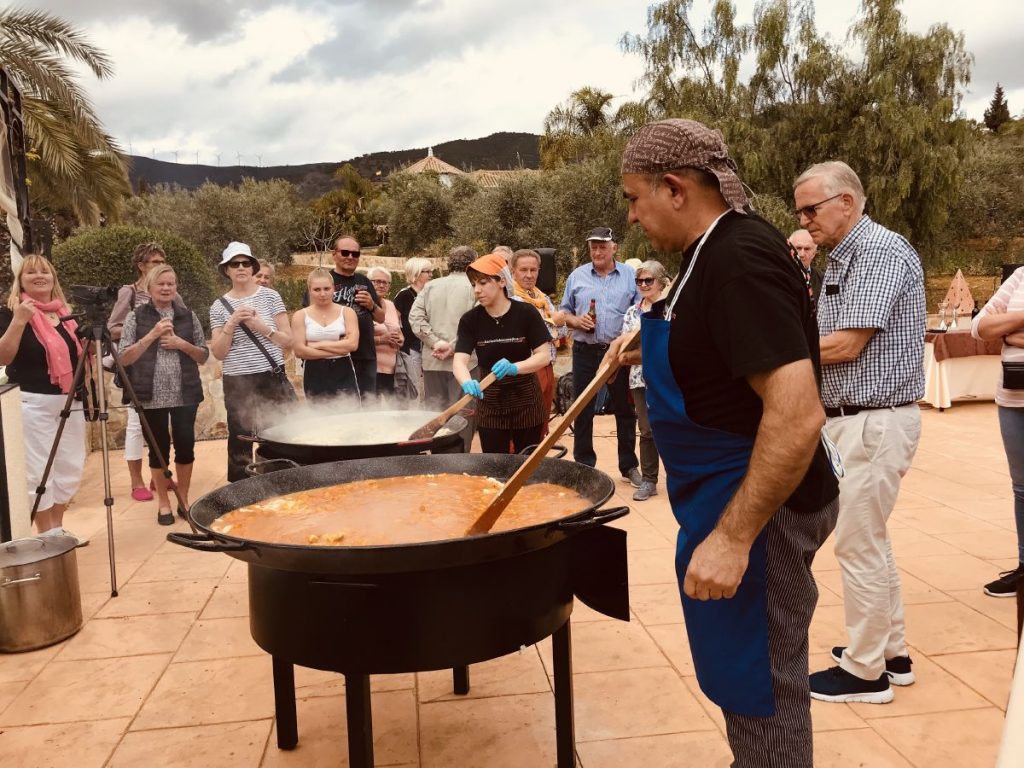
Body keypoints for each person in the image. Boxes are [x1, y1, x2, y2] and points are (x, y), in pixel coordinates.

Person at [617, 118, 840, 766]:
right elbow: (720, 345)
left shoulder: (738, 259)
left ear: (674, 187)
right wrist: (639, 343)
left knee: (762, 691)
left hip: (759, 508)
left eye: (635, 198)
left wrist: (735, 536)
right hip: (729, 494)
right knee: (749, 686)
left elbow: (796, 416)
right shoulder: (706, 254)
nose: (632, 217)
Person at [796, 160, 925, 704]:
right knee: (869, 538)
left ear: (846, 203)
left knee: (855, 543)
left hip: (871, 421)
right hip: (859, 420)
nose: (804, 220)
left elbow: (848, 343)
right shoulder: (850, 255)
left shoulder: (878, 253)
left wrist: (770, 349)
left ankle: (865, 671)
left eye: (811, 209)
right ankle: (891, 653)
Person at [0, 255, 88, 544]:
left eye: (45, 271)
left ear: (53, 278)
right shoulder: (10, 312)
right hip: (33, 402)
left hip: (69, 400)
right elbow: (3, 356)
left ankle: (58, 527)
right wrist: (19, 321)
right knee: (40, 470)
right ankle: (47, 534)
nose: (39, 276)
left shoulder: (65, 313)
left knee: (70, 466)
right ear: (20, 280)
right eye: (31, 272)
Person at [117, 265, 208, 525]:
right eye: (161, 284)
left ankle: (184, 499)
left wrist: (182, 344)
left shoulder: (188, 316)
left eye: (171, 283)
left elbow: (203, 355)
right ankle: (164, 503)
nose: (167, 288)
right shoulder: (136, 316)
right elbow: (124, 357)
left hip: (185, 394)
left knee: (186, 447)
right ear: (150, 287)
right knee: (158, 451)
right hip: (149, 395)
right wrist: (152, 335)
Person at [557, 226, 640, 485]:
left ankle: (628, 466)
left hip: (620, 355)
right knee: (583, 409)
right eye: (593, 247)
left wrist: (627, 343)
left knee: (625, 410)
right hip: (586, 352)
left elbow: (640, 313)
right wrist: (575, 321)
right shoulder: (577, 276)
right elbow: (563, 313)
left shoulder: (630, 276)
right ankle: (584, 465)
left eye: (603, 246)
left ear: (614, 247)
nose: (597, 251)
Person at [209, 241, 295, 481]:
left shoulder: (271, 296)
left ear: (252, 266)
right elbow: (218, 352)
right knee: (240, 435)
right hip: (237, 379)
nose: (240, 268)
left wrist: (262, 328)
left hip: (270, 374)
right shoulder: (218, 306)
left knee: (279, 430)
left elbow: (288, 340)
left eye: (245, 263)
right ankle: (242, 490)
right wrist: (232, 323)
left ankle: (280, 482)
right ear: (226, 270)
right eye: (234, 264)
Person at [453, 253, 551, 453]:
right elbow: (459, 361)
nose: (477, 290)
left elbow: (544, 355)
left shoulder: (526, 313)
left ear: (501, 281)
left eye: (483, 282)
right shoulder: (470, 320)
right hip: (490, 403)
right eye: (474, 285)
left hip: (527, 401)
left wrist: (515, 367)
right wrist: (466, 382)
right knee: (494, 465)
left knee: (527, 466)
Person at [971, 266, 1024, 596]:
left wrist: (1009, 329)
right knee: (1022, 488)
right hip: (1013, 398)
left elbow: (997, 328)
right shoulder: (1020, 276)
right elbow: (979, 327)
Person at [107, 241, 174, 502]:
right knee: (137, 425)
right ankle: (136, 482)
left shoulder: (171, 292)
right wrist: (145, 331)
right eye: (155, 263)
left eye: (162, 262)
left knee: (162, 424)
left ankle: (159, 476)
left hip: (167, 368)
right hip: (137, 367)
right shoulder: (130, 292)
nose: (160, 267)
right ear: (141, 266)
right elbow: (112, 327)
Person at [409, 245, 479, 451]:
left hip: (433, 360)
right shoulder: (475, 287)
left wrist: (434, 342)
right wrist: (454, 346)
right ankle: (458, 458)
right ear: (471, 264)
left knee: (435, 413)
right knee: (463, 414)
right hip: (466, 363)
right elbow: (478, 320)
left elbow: (415, 317)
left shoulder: (430, 286)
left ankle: (438, 456)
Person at [302, 235, 383, 400]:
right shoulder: (323, 282)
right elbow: (307, 317)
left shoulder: (364, 281)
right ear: (334, 254)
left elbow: (381, 317)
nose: (350, 257)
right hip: (331, 357)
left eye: (355, 254)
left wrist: (371, 305)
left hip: (365, 355)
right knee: (334, 406)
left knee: (367, 405)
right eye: (345, 253)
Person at [618, 260, 669, 502]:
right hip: (640, 379)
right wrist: (640, 353)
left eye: (649, 280)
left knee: (674, 426)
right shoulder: (632, 312)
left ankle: (684, 476)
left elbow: (671, 345)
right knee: (647, 430)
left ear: (662, 282)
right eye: (639, 281)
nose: (644, 285)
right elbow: (626, 353)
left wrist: (641, 352)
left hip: (670, 377)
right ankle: (649, 480)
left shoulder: (671, 310)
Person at [510, 248, 568, 436]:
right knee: (525, 420)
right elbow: (531, 335)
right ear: (513, 271)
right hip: (527, 368)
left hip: (547, 365)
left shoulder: (541, 297)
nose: (529, 275)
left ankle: (537, 459)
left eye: (533, 270)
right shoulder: (511, 298)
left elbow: (563, 331)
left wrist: (552, 326)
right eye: (523, 270)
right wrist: (553, 323)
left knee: (542, 421)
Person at [291, 268, 360, 401]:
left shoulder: (347, 312)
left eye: (326, 289)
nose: (322, 294)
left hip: (343, 369)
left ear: (333, 288)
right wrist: (339, 348)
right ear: (309, 290)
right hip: (314, 372)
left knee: (350, 415)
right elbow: (299, 351)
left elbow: (352, 345)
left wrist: (316, 345)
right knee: (319, 417)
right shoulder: (300, 316)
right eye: (317, 290)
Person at [393, 257, 433, 400]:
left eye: (431, 271)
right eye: (426, 271)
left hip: (430, 346)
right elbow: (394, 320)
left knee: (429, 386)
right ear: (415, 273)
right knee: (415, 385)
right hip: (411, 347)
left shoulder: (432, 293)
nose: (430, 275)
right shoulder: (404, 295)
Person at [367, 266, 404, 396]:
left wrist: (399, 340)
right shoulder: (362, 306)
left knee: (391, 411)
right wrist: (382, 339)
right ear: (368, 282)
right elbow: (357, 339)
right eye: (377, 281)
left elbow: (398, 331)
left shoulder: (390, 305)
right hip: (370, 369)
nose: (381, 285)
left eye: (385, 282)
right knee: (372, 410)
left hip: (392, 370)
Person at [788, 229, 822, 303]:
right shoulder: (778, 274)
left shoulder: (823, 280)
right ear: (789, 249)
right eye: (798, 248)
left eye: (807, 249)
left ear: (814, 253)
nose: (802, 254)